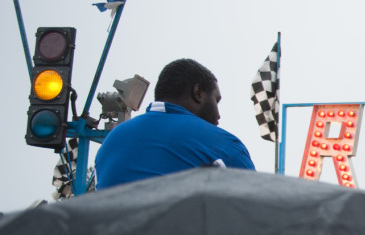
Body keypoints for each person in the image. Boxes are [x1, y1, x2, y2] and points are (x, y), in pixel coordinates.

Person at [95, 58, 256, 189]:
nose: (218, 115)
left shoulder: (109, 144)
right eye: (216, 100)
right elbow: (260, 212)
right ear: (198, 92)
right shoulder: (224, 145)